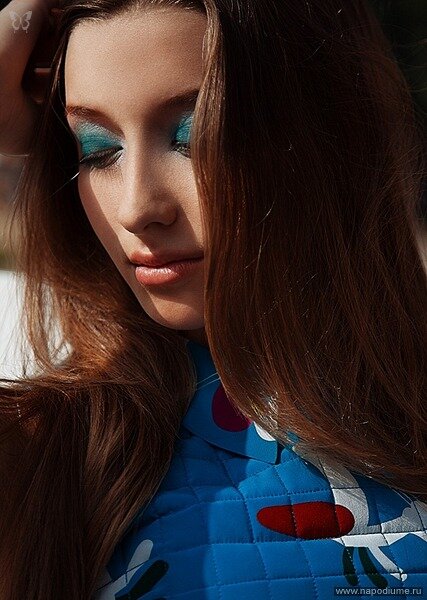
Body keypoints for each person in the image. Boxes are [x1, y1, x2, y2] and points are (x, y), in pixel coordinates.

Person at [0, 0, 426, 598]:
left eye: (193, 137)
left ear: (329, 134)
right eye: (97, 149)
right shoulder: (43, 454)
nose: (137, 208)